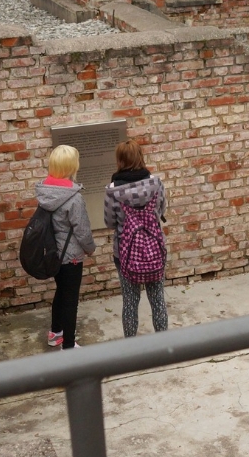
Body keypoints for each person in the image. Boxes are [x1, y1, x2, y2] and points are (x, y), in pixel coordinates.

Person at [104, 140, 169, 338]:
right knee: (157, 298)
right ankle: (165, 344)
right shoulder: (156, 183)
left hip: (125, 253)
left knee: (130, 302)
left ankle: (131, 347)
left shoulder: (112, 190)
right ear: (140, 157)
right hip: (154, 250)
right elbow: (162, 210)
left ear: (120, 160)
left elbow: (109, 222)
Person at [35, 144, 96, 349]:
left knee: (60, 292)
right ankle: (68, 346)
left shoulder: (45, 191)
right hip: (71, 256)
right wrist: (90, 248)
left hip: (53, 253)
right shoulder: (74, 197)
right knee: (70, 301)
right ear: (71, 166)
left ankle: (55, 333)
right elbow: (82, 230)